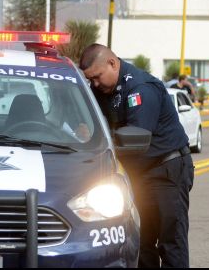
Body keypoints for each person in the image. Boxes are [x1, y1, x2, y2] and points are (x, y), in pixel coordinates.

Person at [80, 44, 193, 268]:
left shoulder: (140, 88)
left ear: (112, 63)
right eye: (90, 79)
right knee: (141, 242)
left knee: (171, 242)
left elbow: (136, 141)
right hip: (138, 173)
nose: (95, 84)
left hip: (166, 170)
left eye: (97, 77)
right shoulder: (101, 90)